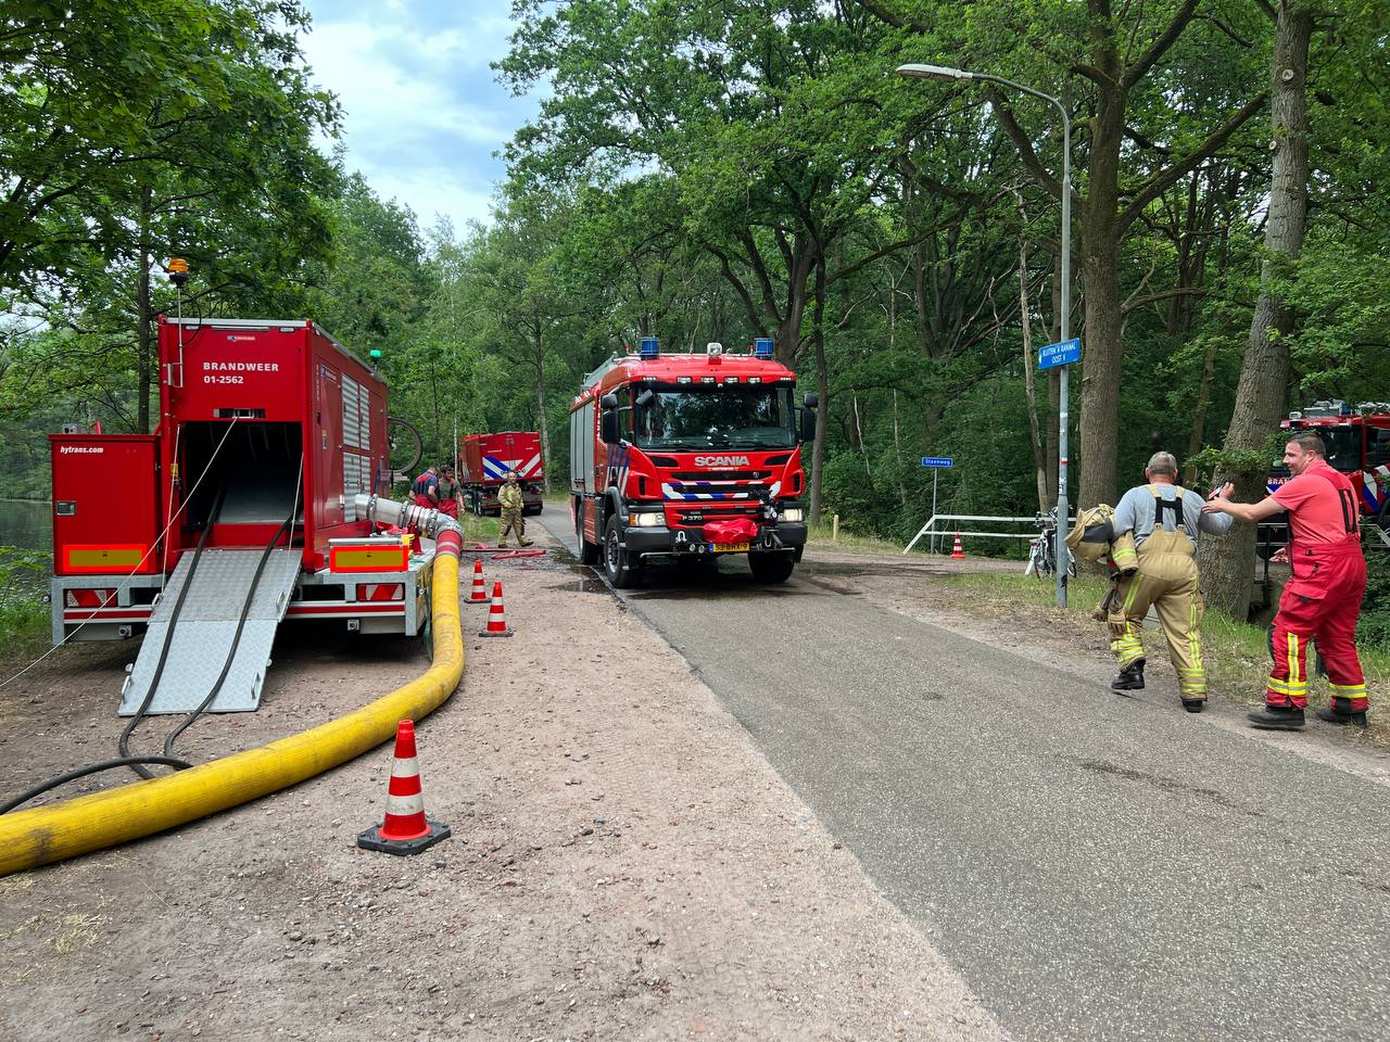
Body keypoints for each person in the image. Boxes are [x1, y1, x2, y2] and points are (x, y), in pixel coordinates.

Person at [1203, 432, 1369, 730]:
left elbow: (1253, 513)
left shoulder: (1305, 481)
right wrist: (1295, 548)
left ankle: (1286, 705)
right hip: (1351, 562)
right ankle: (1351, 705)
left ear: (1311, 455)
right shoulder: (1341, 480)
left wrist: (1223, 504)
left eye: (1291, 455)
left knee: (1288, 631)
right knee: (1337, 635)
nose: (1285, 461)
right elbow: (1333, 525)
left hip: (1322, 568)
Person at [1107, 451, 1234, 713]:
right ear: (1175, 475)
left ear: (1147, 473)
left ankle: (1132, 669)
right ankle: (1194, 695)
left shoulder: (1134, 494)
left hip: (1145, 567)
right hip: (1184, 570)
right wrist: (1224, 502)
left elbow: (1117, 526)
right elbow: (1219, 526)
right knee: (1185, 632)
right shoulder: (1194, 499)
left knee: (1124, 616)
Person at [497, 471, 532, 548]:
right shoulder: (504, 487)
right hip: (507, 511)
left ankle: (522, 542)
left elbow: (520, 497)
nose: (513, 478)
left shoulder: (518, 487)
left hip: (517, 511)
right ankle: (501, 542)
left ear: (516, 477)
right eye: (511, 477)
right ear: (508, 478)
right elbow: (500, 497)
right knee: (506, 527)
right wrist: (506, 504)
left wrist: (521, 503)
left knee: (519, 526)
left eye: (514, 477)